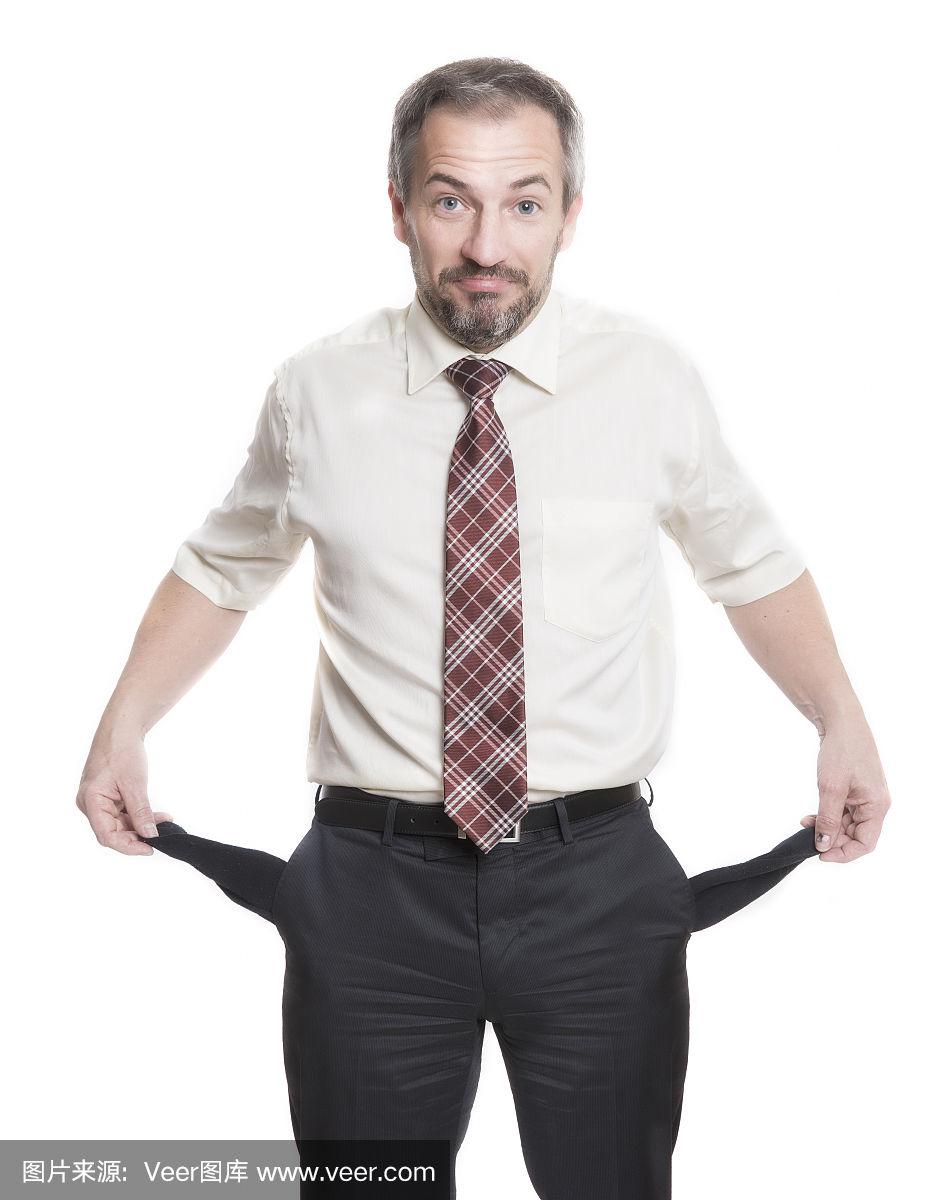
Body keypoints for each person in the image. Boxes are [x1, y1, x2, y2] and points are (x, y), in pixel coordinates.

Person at [77, 56, 890, 1199]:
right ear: (399, 207)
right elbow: (224, 567)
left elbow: (749, 563)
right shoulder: (317, 390)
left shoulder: (649, 379)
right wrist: (123, 724)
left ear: (571, 214)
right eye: (451, 200)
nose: (487, 246)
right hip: (371, 892)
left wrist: (839, 720)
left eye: (525, 203)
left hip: (596, 884)